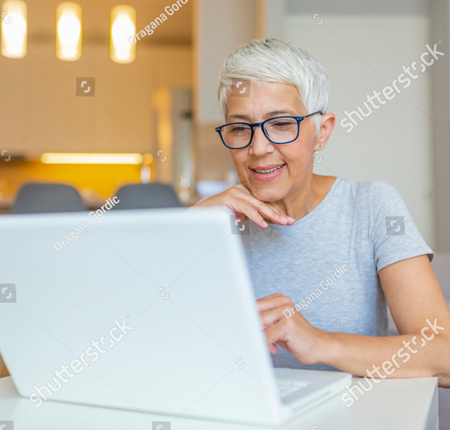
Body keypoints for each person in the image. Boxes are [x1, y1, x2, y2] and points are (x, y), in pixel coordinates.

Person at [191, 38, 450, 388]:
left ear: (321, 132)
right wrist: (188, 230)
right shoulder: (206, 224)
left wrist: (321, 343)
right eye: (240, 128)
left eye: (281, 124)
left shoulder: (372, 206)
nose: (258, 148)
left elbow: (443, 354)